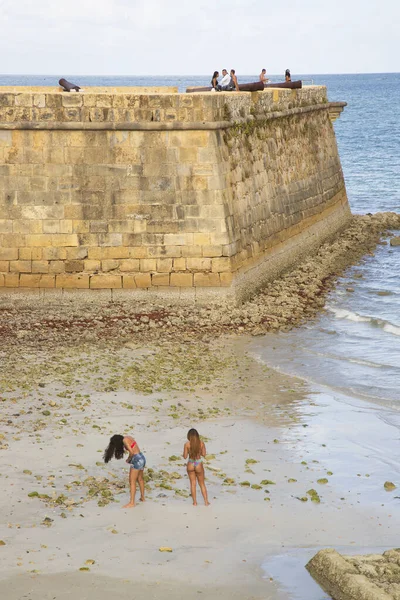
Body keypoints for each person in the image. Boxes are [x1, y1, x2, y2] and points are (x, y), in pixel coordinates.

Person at [103, 434, 146, 508]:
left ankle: (132, 502)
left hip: (136, 459)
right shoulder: (127, 437)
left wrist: (128, 459)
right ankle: (142, 497)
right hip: (141, 457)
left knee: (132, 481)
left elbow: (132, 452)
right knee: (140, 479)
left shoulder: (124, 440)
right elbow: (133, 444)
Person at [183, 428, 210, 506]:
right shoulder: (201, 443)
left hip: (191, 463)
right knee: (202, 484)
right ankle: (206, 502)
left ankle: (194, 502)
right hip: (198, 463)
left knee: (193, 484)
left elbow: (185, 456)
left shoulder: (187, 444)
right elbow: (204, 454)